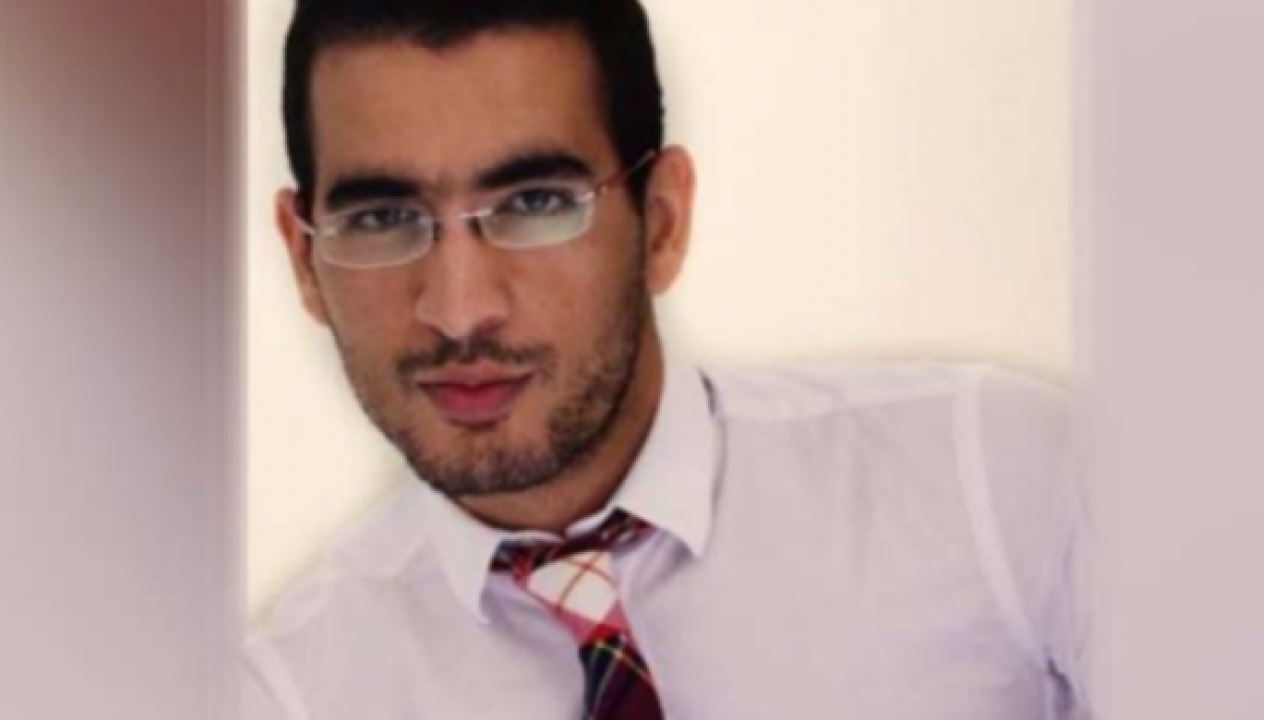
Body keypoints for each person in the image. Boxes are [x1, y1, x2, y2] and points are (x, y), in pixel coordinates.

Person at [242, 0, 1091, 718]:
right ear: (303, 258)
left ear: (663, 222)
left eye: (536, 203)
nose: (459, 311)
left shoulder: (993, 481)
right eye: (381, 219)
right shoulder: (285, 695)